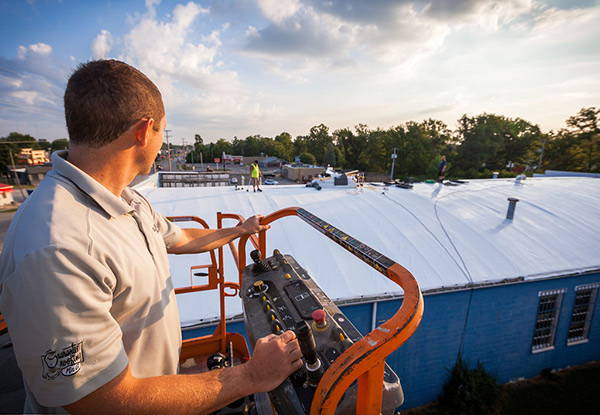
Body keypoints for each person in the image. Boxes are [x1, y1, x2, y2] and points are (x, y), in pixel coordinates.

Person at [0, 59, 302, 414]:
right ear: (144, 131)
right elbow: (103, 400)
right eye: (162, 132)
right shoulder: (57, 247)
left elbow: (181, 238)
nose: (161, 144)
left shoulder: (126, 199)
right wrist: (252, 375)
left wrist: (240, 230)